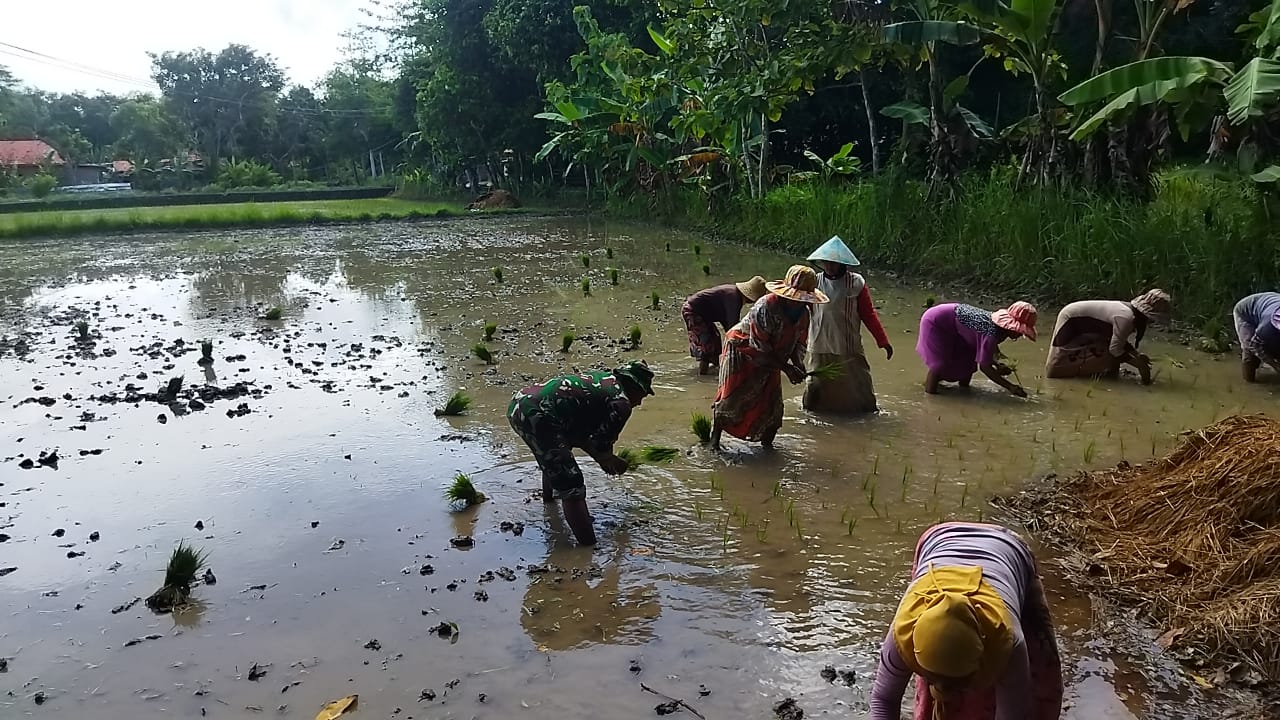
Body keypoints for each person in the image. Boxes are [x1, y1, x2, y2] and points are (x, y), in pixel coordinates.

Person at [869, 522, 1064, 720]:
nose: (945, 689)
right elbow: (884, 700)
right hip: (939, 539)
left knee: (1042, 684)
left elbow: (1014, 715)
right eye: (934, 678)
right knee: (930, 701)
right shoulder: (903, 634)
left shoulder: (1008, 641)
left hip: (1010, 549)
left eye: (956, 682)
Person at [507, 360, 654, 546]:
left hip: (521, 402)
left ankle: (549, 505)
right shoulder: (621, 403)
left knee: (555, 456)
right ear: (634, 386)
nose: (640, 402)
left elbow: (583, 438)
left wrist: (605, 459)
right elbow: (600, 445)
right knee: (572, 483)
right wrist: (610, 461)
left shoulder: (603, 381)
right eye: (642, 395)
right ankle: (589, 548)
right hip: (538, 414)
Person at [711, 265, 828, 450]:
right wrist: (787, 368)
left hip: (775, 356)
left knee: (772, 404)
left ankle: (768, 447)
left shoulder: (804, 314)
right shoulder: (766, 306)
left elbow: (800, 342)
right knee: (733, 397)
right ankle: (714, 441)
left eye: (803, 299)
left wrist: (798, 364)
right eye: (795, 298)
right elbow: (760, 347)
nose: (798, 302)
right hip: (743, 350)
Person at [801, 235, 893, 413]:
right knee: (815, 384)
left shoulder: (855, 283)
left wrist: (883, 341)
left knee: (859, 384)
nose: (829, 266)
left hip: (847, 345)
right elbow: (803, 314)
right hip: (819, 343)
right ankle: (811, 414)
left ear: (843, 263)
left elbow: (868, 315)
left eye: (833, 263)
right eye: (826, 262)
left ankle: (868, 413)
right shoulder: (814, 282)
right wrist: (798, 342)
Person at [1044, 289, 1171, 384]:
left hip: (1080, 320)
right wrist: (1139, 365)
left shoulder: (1129, 314)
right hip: (1071, 321)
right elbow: (1115, 349)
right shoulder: (1126, 317)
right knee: (1057, 367)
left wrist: (1136, 355)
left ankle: (1106, 374)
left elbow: (1118, 342)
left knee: (1112, 354)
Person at [916, 301, 1038, 397]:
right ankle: (930, 395)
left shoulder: (999, 330)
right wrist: (1010, 387)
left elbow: (985, 350)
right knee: (940, 364)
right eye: (1019, 331)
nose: (1019, 335)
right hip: (936, 321)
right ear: (1011, 327)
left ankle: (964, 392)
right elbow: (985, 367)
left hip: (954, 324)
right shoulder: (992, 332)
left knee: (968, 363)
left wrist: (997, 365)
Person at [682, 276, 769, 375]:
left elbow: (727, 323)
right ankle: (703, 375)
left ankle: (716, 370)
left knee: (715, 339)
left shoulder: (735, 295)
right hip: (693, 311)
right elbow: (733, 326)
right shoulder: (734, 298)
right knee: (706, 344)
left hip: (703, 314)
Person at [1232, 292, 1280, 383]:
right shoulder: (1267, 326)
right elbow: (1255, 346)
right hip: (1245, 312)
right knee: (1249, 353)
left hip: (1268, 304)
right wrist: (1274, 365)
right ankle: (1249, 383)